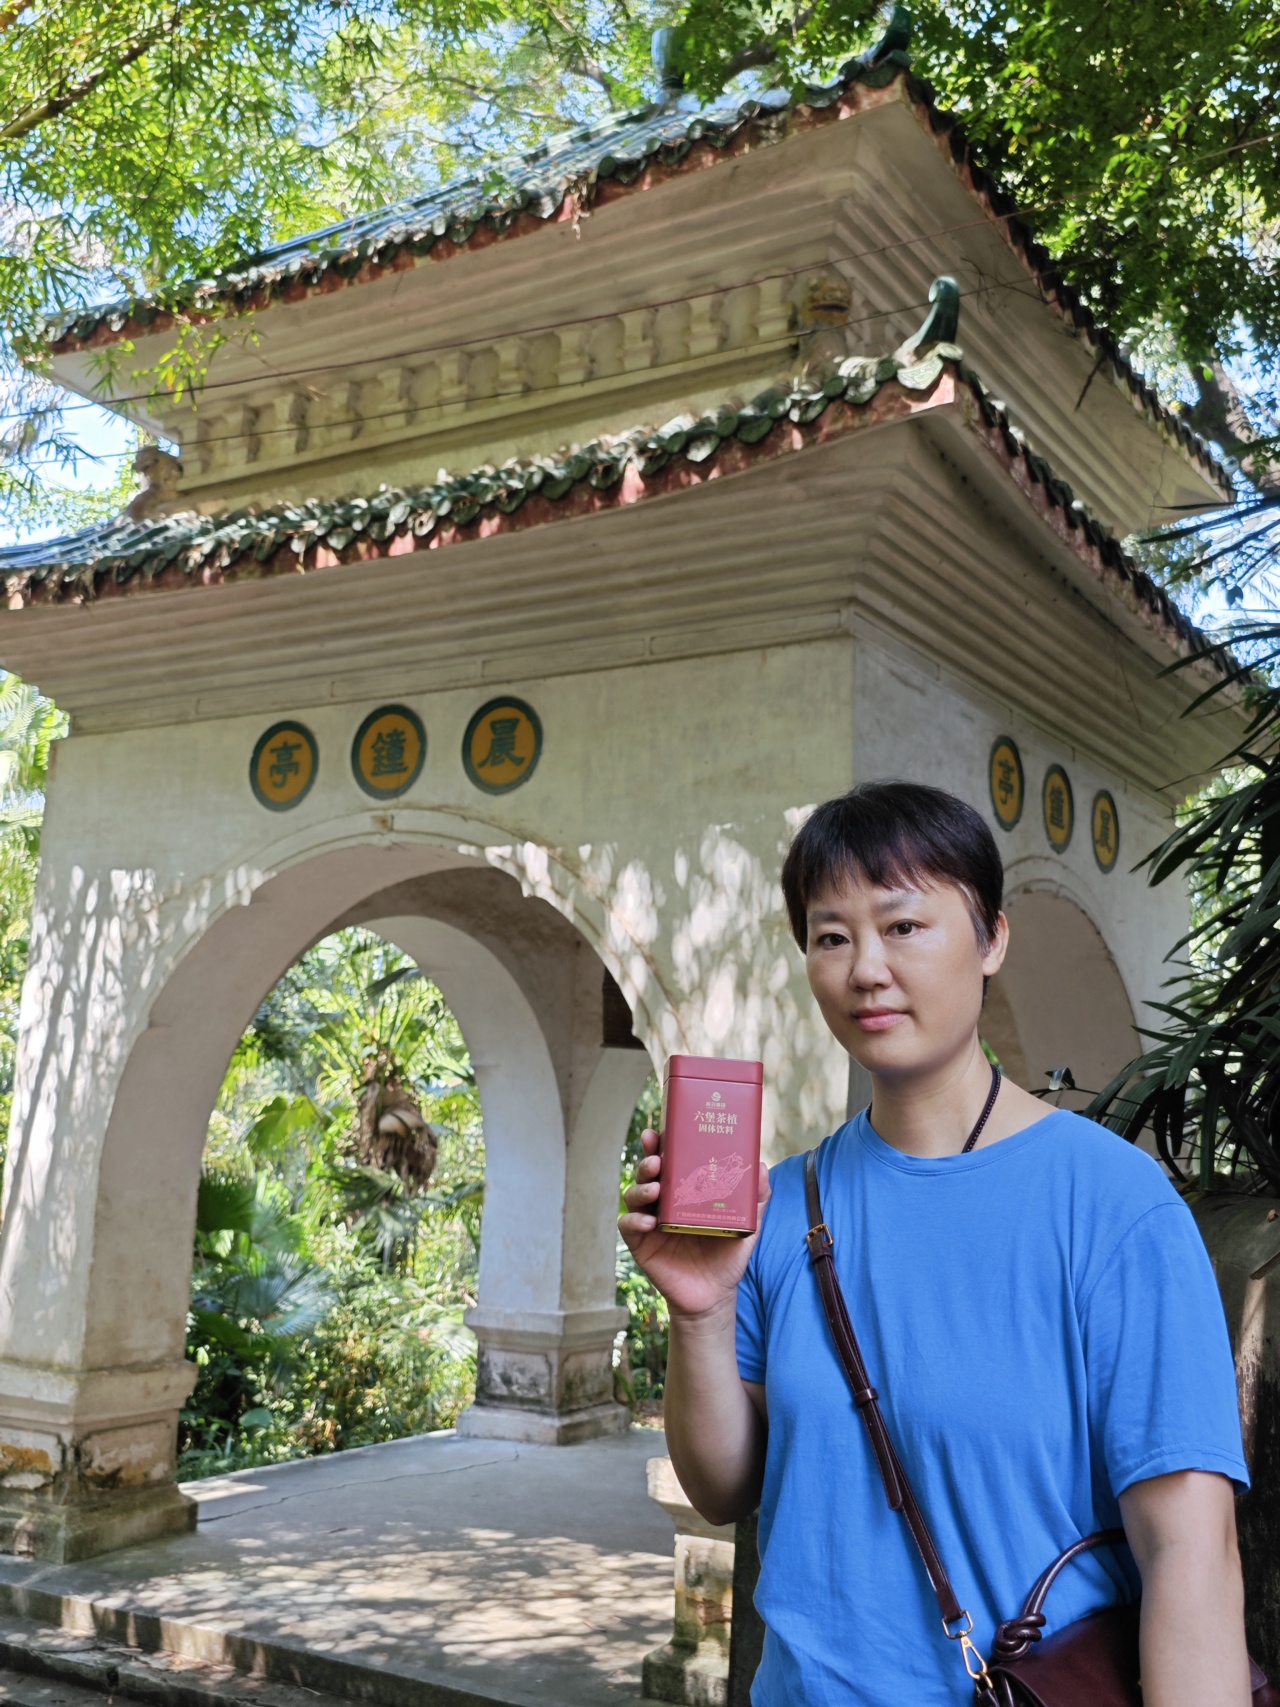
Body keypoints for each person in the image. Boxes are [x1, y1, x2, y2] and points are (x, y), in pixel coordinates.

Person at [620, 781, 1251, 1707]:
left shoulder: (1112, 1205)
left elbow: (1190, 1556)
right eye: (831, 936)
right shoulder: (783, 1206)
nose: (866, 968)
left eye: (904, 925)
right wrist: (701, 1312)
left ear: (992, 938)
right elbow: (722, 1489)